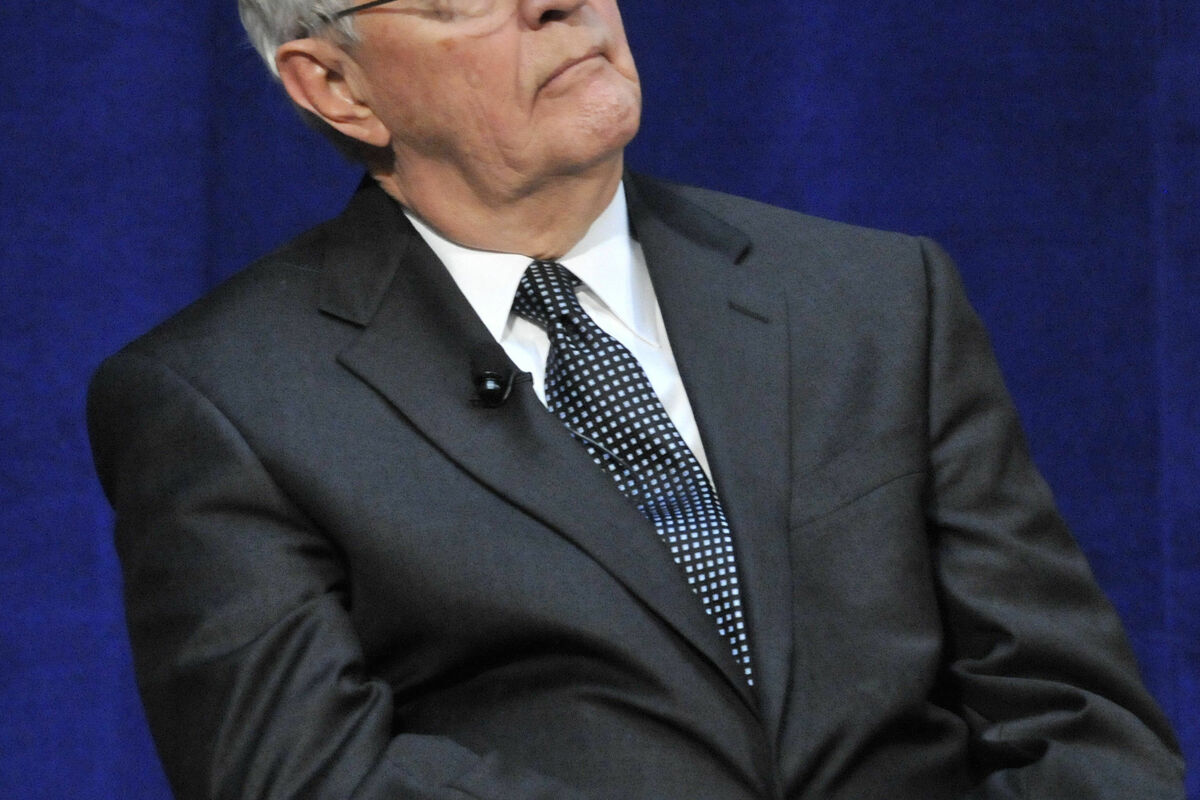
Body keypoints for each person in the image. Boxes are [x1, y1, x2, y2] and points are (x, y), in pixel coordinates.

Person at [87, 0, 1185, 797]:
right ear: (337, 84)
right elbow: (309, 778)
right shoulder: (222, 401)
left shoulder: (876, 297)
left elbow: (1072, 714)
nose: (556, 4)